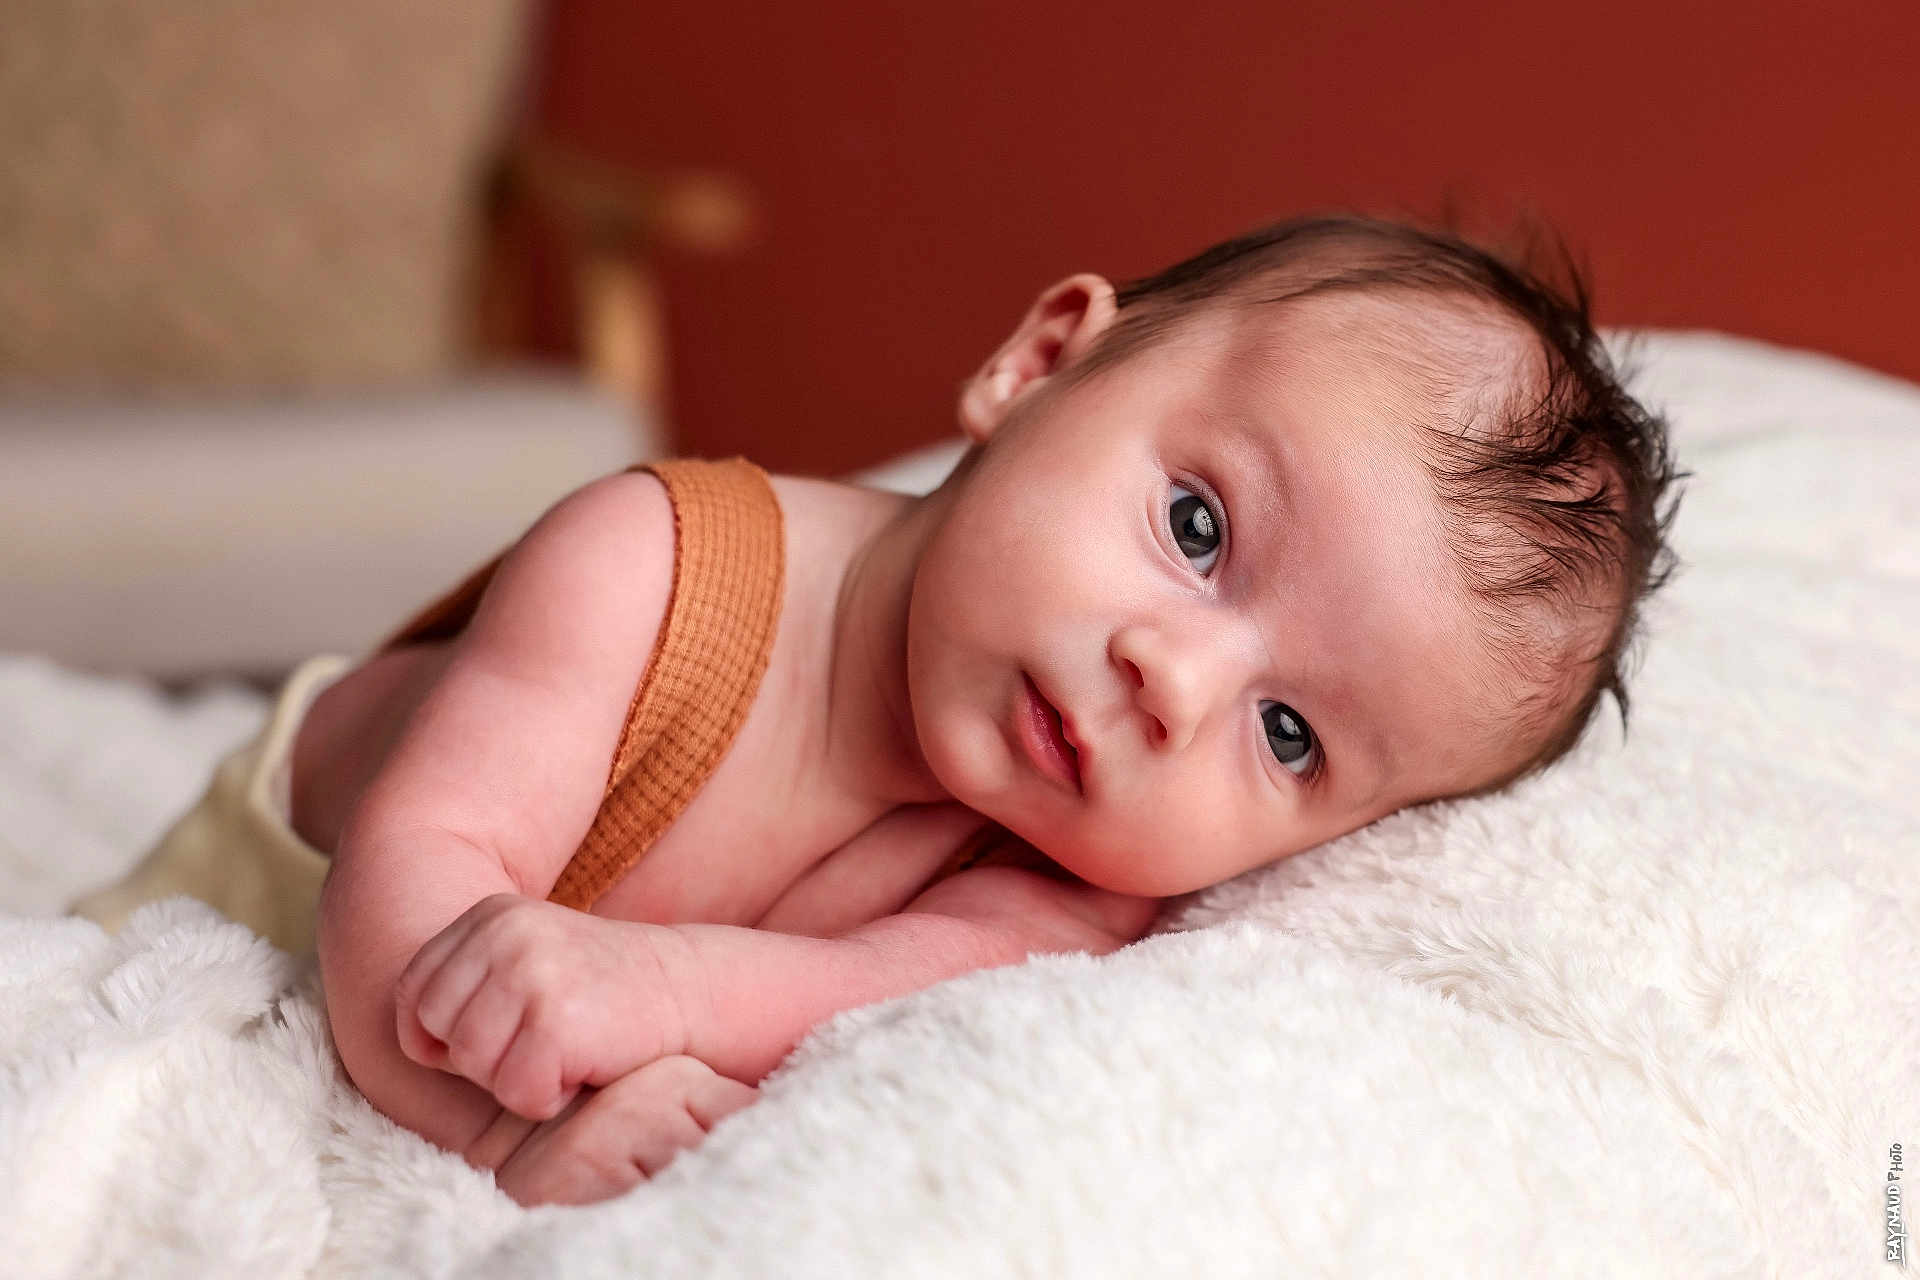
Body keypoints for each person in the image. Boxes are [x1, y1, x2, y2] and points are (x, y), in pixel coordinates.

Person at [75, 214, 1680, 1206]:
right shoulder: (651, 566)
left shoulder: (1076, 888)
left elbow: (850, 993)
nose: (1176, 687)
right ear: (1040, 364)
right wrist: (507, 1147)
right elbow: (410, 881)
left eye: (1292, 737)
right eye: (1197, 529)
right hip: (283, 894)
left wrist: (656, 991)